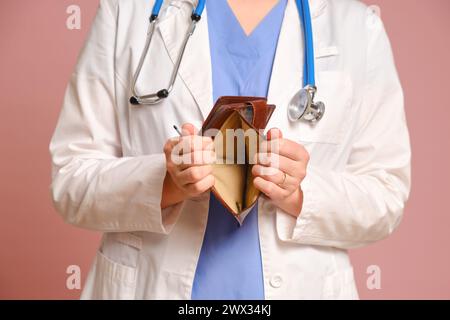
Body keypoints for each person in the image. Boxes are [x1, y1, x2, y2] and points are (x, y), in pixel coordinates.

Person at [50, 0, 411, 299]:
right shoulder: (127, 13)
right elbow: (70, 182)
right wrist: (167, 183)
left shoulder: (357, 27)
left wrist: (301, 194)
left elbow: (386, 196)